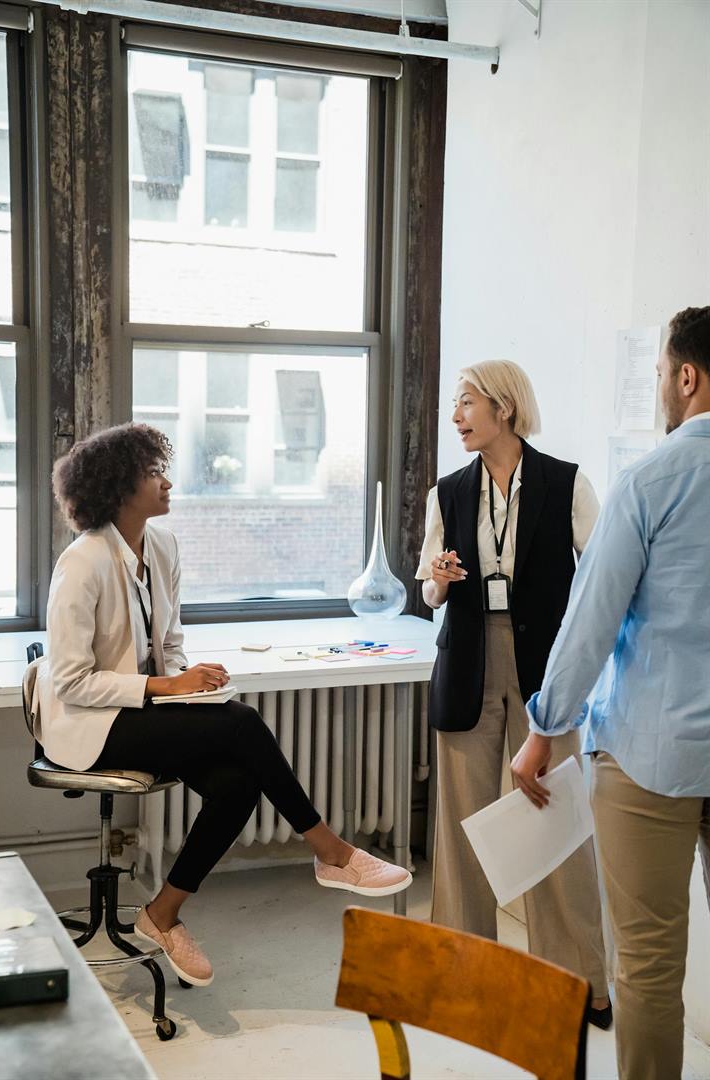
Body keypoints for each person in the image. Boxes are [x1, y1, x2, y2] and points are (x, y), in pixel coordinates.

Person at [38, 422, 411, 988]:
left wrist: (191, 682)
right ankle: (332, 852)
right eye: (153, 473)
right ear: (118, 488)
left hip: (142, 714)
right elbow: (69, 681)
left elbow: (168, 643)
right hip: (90, 725)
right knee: (242, 724)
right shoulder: (83, 562)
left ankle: (161, 915)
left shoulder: (161, 546)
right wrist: (165, 689)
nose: (167, 482)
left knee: (237, 784)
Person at [511, 306, 710, 1080]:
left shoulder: (652, 480)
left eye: (662, 373)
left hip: (649, 753)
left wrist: (545, 728)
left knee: (652, 968)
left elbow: (591, 620)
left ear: (686, 377)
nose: (661, 385)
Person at [417, 359, 610, 1024]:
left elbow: (602, 579)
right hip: (467, 661)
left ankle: (581, 982)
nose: (456, 417)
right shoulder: (449, 491)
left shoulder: (566, 484)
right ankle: (464, 979)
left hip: (546, 672)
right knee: (464, 828)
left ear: (503, 406)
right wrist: (439, 578)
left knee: (555, 824)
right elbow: (429, 588)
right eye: (455, 405)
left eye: (465, 402)